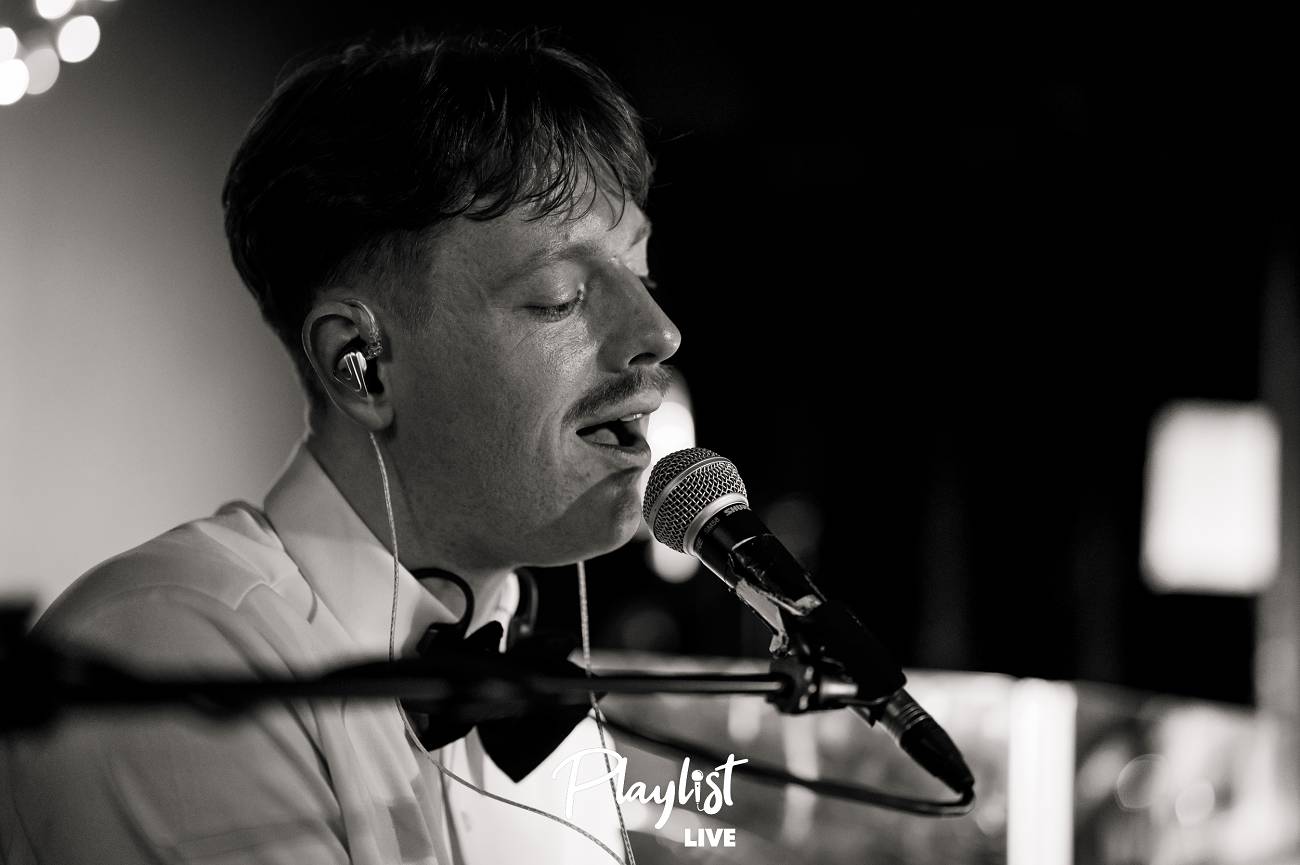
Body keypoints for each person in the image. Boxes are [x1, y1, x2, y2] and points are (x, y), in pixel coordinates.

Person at [0, 28, 681, 865]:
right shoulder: (168, 647)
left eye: (641, 277)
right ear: (361, 367)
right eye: (561, 294)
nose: (659, 332)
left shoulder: (537, 695)